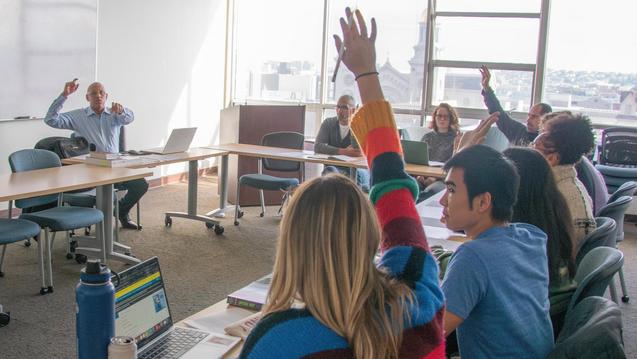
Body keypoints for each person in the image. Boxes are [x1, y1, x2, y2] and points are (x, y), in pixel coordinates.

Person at [239, 8, 445, 358]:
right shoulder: (419, 296)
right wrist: (367, 72)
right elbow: (393, 183)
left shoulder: (277, 341)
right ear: (370, 235)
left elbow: (391, 181)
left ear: (293, 246)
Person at [440, 145, 554, 358]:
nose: (442, 200)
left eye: (452, 190)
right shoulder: (531, 236)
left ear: (483, 201)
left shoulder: (472, 257)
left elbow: (427, 333)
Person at [44, 80, 148, 230]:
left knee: (141, 184)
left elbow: (130, 118)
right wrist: (64, 95)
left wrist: (122, 110)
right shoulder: (78, 116)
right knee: (104, 192)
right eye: (94, 93)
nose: (98, 96)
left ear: (106, 96)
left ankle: (121, 211)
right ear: (87, 98)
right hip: (91, 169)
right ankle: (107, 220)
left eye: (101, 93)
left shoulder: (114, 114)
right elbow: (51, 119)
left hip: (115, 166)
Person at [503, 147, 577, 336]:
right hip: (542, 322)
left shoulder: (521, 238)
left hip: (516, 329)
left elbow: (484, 271)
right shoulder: (552, 213)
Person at [532, 113, 596, 247]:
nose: (531, 150)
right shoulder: (572, 185)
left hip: (558, 265)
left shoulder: (556, 195)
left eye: (534, 149)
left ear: (552, 159)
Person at [480, 65, 552, 146]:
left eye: (534, 117)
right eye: (529, 116)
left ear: (545, 120)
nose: (528, 120)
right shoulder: (518, 131)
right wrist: (486, 88)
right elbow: (498, 113)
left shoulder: (549, 143)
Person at [315, 94, 370, 191]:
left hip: (358, 169)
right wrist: (344, 151)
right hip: (335, 168)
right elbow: (318, 146)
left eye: (344, 107)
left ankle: (353, 204)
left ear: (355, 108)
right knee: (329, 173)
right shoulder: (329, 123)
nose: (340, 111)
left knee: (356, 176)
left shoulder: (362, 126)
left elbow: (361, 151)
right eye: (338, 107)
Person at [416, 103, 460, 200]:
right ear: (435, 118)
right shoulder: (427, 137)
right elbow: (418, 160)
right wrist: (420, 175)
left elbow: (456, 167)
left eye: (446, 116)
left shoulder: (457, 139)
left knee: (428, 193)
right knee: (409, 188)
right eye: (439, 116)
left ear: (451, 118)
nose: (442, 119)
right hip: (422, 177)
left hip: (443, 180)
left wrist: (435, 178)